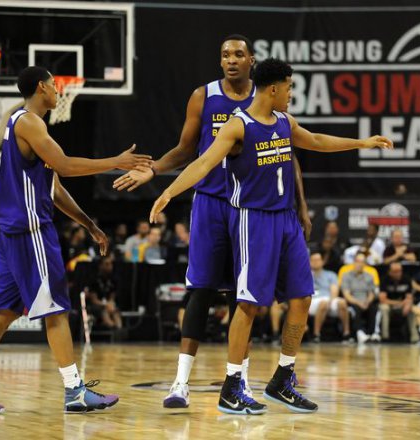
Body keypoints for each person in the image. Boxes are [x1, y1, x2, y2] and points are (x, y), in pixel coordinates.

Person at [148, 58, 393, 414]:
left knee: (302, 298)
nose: (291, 94)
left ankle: (282, 377)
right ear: (274, 88)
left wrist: (362, 143)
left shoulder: (283, 121)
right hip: (254, 220)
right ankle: (232, 385)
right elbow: (202, 163)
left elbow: (317, 141)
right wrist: (169, 192)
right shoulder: (238, 126)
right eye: (289, 87)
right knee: (248, 303)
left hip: (286, 219)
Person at [114, 35, 311, 409]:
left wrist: (300, 205)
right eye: (225, 55)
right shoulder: (203, 96)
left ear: (251, 60)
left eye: (238, 54)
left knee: (244, 296)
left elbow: (287, 155)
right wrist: (153, 171)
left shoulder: (268, 100)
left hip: (250, 208)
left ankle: (240, 383)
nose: (231, 60)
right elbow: (187, 152)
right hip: (210, 203)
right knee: (201, 289)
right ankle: (180, 383)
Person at [0, 66, 152, 414]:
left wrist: (89, 224)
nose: (58, 92)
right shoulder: (28, 122)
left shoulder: (26, 126)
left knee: (4, 311)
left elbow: (55, 187)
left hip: (11, 232)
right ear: (41, 87)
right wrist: (116, 162)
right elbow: (66, 166)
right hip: (30, 231)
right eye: (55, 86)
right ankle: (74, 390)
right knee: (56, 309)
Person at [308, 251, 351, 342]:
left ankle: (346, 333)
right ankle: (316, 334)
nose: (315, 262)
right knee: (323, 303)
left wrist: (330, 302)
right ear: (309, 262)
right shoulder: (305, 274)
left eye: (318, 260)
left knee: (342, 302)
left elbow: (334, 291)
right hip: (312, 300)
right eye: (313, 260)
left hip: (329, 298)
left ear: (322, 261)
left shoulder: (331, 274)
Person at [341, 252, 378, 344]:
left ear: (365, 264)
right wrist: (358, 303)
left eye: (362, 262)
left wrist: (367, 302)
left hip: (365, 301)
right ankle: (360, 333)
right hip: (353, 301)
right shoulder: (346, 276)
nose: (360, 264)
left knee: (373, 307)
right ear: (354, 262)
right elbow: (347, 294)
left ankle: (372, 333)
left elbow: (371, 293)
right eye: (358, 261)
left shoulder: (369, 276)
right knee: (356, 308)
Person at [378, 262, 418, 343]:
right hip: (389, 304)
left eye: (400, 271)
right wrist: (398, 303)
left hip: (402, 305)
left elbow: (409, 297)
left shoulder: (406, 279)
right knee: (384, 308)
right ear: (390, 272)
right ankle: (385, 337)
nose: (398, 273)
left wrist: (408, 304)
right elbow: (382, 300)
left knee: (412, 309)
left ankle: (415, 337)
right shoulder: (384, 280)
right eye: (395, 271)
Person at [86, 255, 122, 329]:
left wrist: (111, 304)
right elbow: (94, 300)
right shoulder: (94, 280)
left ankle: (119, 329)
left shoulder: (113, 280)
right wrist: (106, 305)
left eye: (111, 264)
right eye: (107, 264)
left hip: (108, 305)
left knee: (115, 310)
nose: (110, 266)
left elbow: (112, 297)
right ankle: (112, 327)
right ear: (100, 266)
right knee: (103, 311)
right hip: (96, 306)